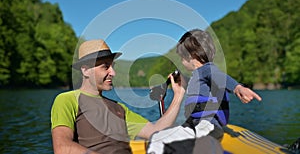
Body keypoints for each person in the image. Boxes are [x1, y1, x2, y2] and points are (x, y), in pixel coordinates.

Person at [51, 39, 185, 154]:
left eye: (112, 66)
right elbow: (62, 148)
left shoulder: (119, 108)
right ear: (85, 70)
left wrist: (178, 95)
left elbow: (156, 131)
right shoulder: (67, 100)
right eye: (106, 67)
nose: (113, 72)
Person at [146, 29, 262, 154]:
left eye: (181, 58)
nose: (181, 62)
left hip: (206, 124)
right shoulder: (198, 76)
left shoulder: (208, 70)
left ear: (190, 56)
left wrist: (237, 87)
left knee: (172, 142)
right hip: (193, 125)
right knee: (157, 137)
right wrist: (165, 85)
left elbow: (220, 78)